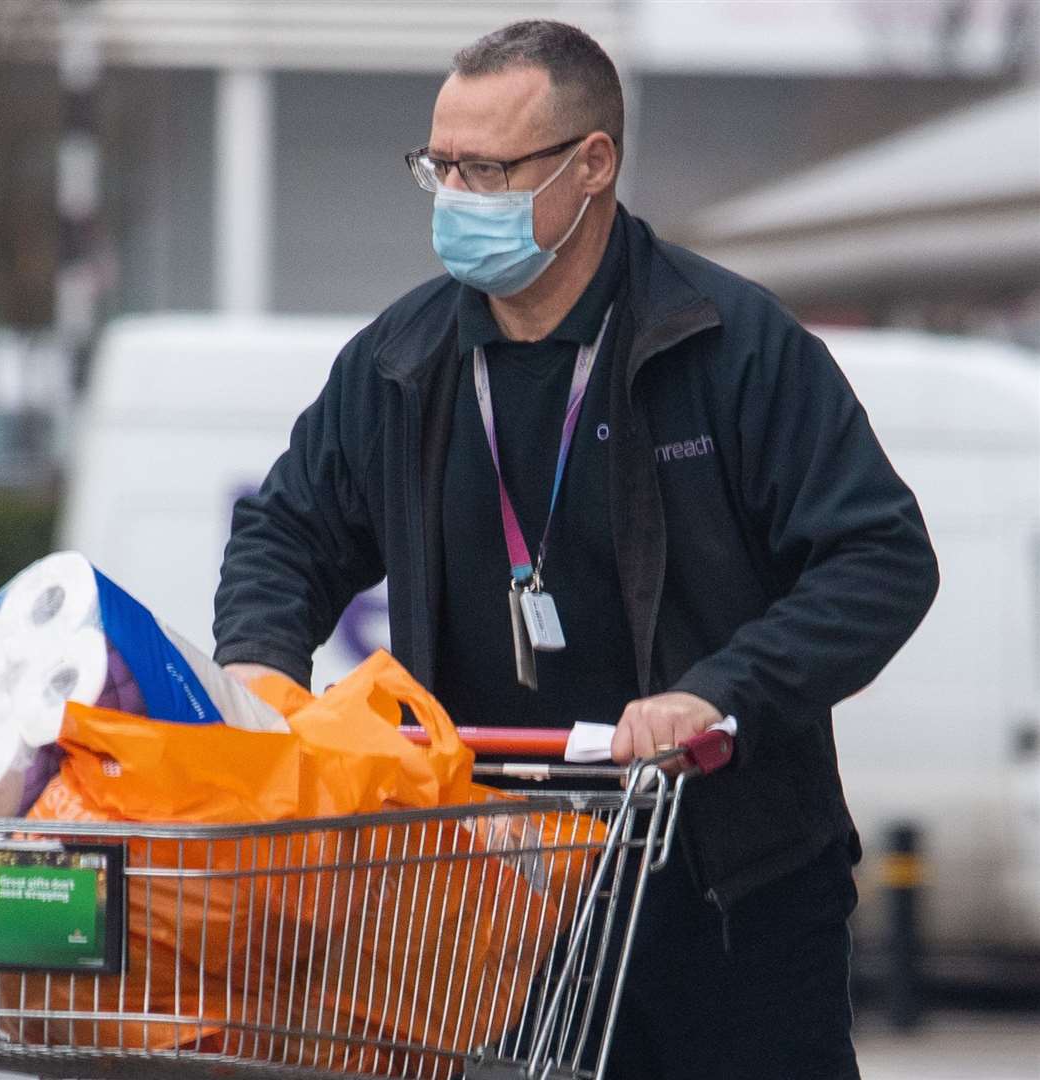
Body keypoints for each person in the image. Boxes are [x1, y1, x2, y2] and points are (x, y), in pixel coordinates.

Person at [213, 18, 939, 1080]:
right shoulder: (400, 364)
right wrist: (262, 672)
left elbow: (882, 558)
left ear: (592, 164)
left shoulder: (730, 347)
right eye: (438, 166)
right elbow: (285, 534)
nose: (455, 195)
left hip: (727, 897)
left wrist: (721, 692)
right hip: (487, 911)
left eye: (487, 168)